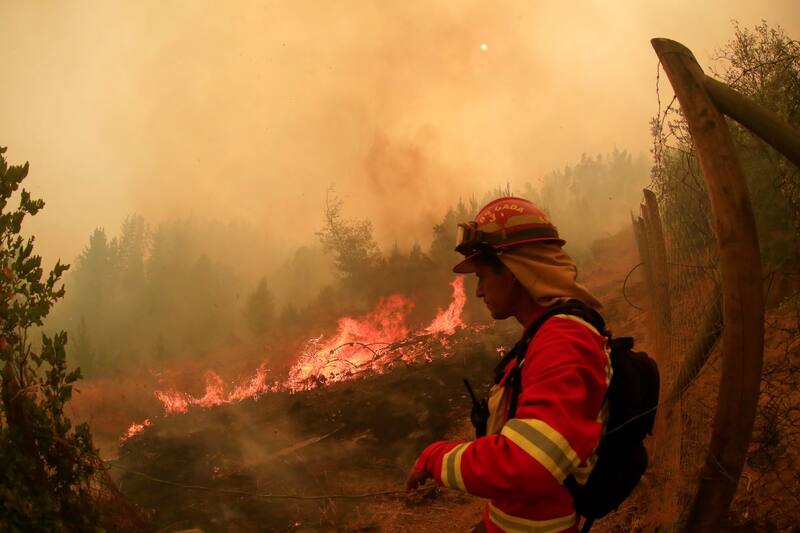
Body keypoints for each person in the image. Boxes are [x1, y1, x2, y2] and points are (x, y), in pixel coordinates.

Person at [405, 197, 610, 533]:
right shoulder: (545, 335)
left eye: (483, 276)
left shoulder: (563, 343)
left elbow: (526, 465)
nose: (479, 292)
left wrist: (434, 458)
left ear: (515, 271)